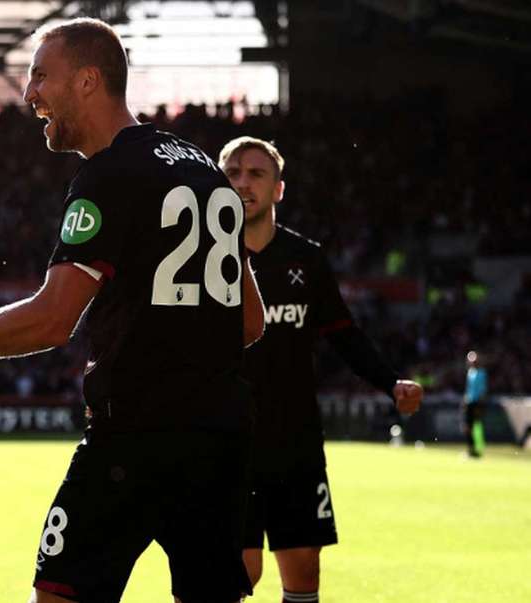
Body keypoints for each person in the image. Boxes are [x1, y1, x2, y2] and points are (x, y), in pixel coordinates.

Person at [0, 19, 265, 603]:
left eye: (40, 77)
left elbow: (52, 320)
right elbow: (249, 321)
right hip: (220, 437)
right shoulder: (202, 169)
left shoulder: (107, 176)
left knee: (60, 594)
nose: (28, 95)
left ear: (88, 81)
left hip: (134, 434)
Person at [217, 136, 423, 603]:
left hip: (296, 441)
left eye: (256, 173)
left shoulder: (306, 259)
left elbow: (343, 333)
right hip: (227, 443)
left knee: (304, 571)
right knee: (239, 572)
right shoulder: (200, 260)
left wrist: (390, 382)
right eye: (232, 173)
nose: (243, 182)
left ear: (279, 190)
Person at [463, 350, 488, 457]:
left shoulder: (482, 373)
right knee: (467, 427)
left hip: (476, 402)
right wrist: (465, 400)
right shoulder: (470, 372)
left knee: (476, 426)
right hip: (469, 402)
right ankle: (471, 449)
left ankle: (477, 449)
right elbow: (469, 389)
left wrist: (480, 404)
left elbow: (482, 389)